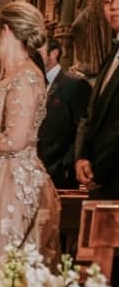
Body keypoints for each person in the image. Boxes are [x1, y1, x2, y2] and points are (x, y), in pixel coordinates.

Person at [0, 3, 60, 261]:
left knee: (6, 264)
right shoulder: (6, 74)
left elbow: (15, 139)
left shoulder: (26, 76)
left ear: (5, 31)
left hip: (14, 180)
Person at [76, 0, 119, 199]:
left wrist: (98, 171)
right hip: (104, 184)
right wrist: (82, 157)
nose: (113, 7)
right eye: (108, 1)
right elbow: (93, 116)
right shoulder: (110, 56)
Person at [37, 37, 91, 189]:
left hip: (62, 174)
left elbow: (83, 127)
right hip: (37, 170)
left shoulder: (74, 85)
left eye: (38, 52)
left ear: (53, 53)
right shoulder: (33, 83)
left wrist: (67, 165)